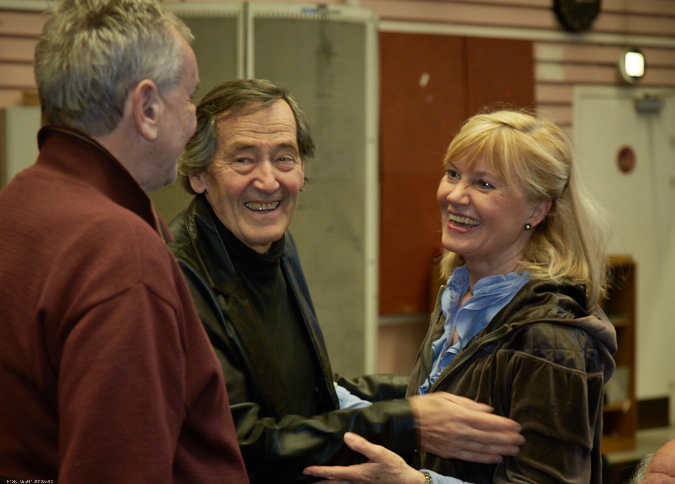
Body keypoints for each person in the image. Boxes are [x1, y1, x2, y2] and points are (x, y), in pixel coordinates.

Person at [168, 79, 525, 483]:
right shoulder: (178, 278)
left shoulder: (273, 245)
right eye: (243, 160)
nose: (269, 182)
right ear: (198, 174)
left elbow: (308, 388)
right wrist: (407, 421)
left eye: (284, 158)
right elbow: (240, 444)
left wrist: (427, 393)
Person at [0, 1, 248, 482]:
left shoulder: (17, 205)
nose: (194, 121)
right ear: (147, 108)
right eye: (190, 97)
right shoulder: (119, 253)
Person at [303, 109, 618, 484]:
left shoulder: (549, 337)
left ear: (537, 209)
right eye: (453, 174)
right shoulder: (460, 295)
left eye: (484, 184)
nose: (454, 195)